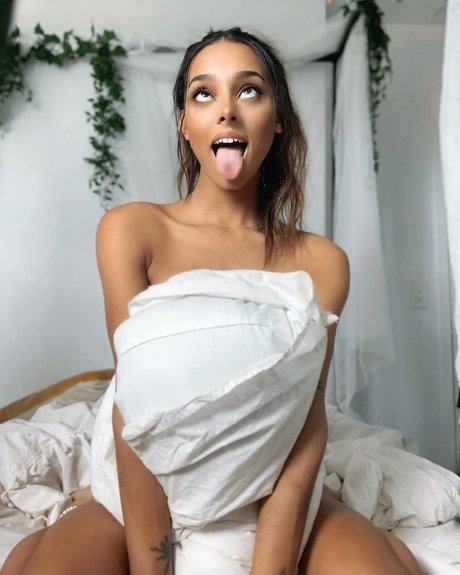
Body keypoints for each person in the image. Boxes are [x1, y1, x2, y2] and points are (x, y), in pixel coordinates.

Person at [1, 27, 421, 575]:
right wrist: (154, 565)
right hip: (144, 476)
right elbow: (134, 405)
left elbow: (308, 415)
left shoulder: (322, 262)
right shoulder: (133, 230)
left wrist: (270, 565)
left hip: (270, 476)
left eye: (248, 90)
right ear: (185, 123)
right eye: (204, 94)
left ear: (278, 119)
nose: (226, 110)